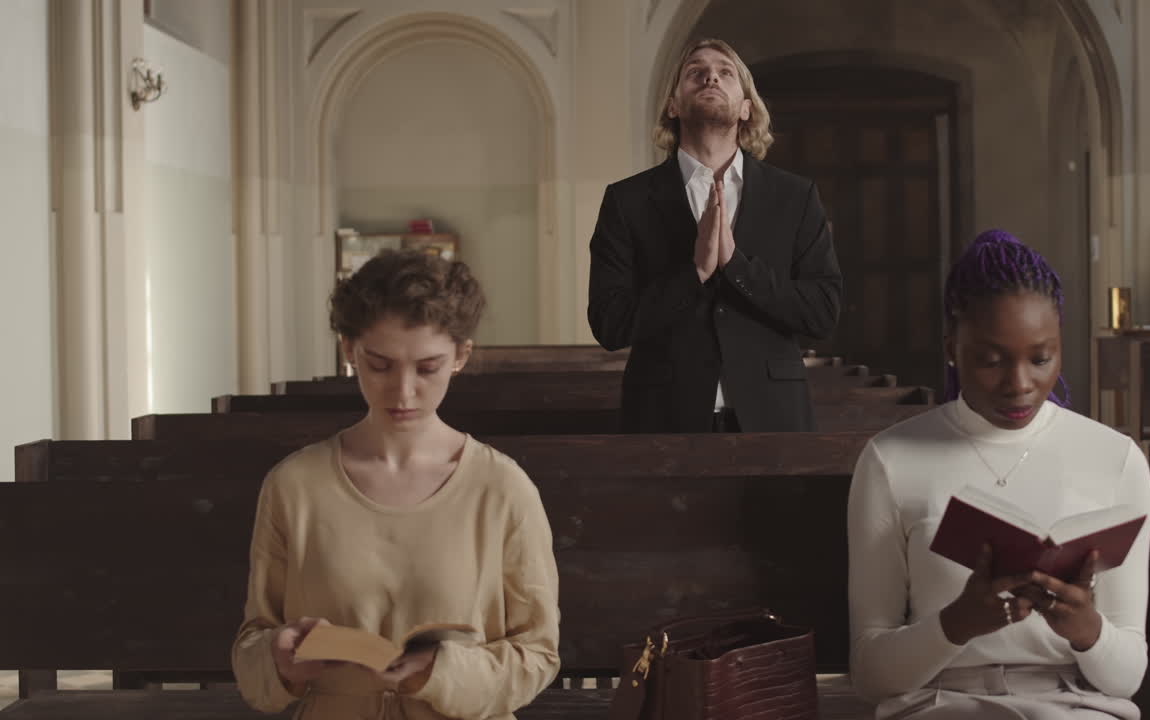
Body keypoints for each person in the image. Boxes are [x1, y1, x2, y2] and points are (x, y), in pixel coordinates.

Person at [231, 250, 560, 719]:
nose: (403, 392)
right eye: (380, 365)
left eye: (427, 368)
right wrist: (279, 659)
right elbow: (253, 647)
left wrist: (439, 676)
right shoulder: (294, 486)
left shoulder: (503, 489)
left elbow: (538, 654)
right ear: (349, 351)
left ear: (461, 356)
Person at [846, 230, 1150, 719]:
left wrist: (1085, 628)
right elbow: (870, 674)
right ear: (952, 348)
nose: (1018, 384)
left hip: (1074, 706)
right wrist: (956, 624)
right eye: (990, 360)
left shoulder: (1115, 459)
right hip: (940, 705)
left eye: (1040, 358)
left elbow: (1127, 677)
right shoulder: (890, 460)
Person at [587, 37, 842, 433]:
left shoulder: (795, 196)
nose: (710, 77)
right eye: (695, 72)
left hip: (774, 416)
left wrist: (737, 267)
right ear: (673, 105)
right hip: (663, 418)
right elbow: (609, 324)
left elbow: (823, 313)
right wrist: (695, 274)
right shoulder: (627, 200)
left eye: (726, 73)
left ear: (745, 108)